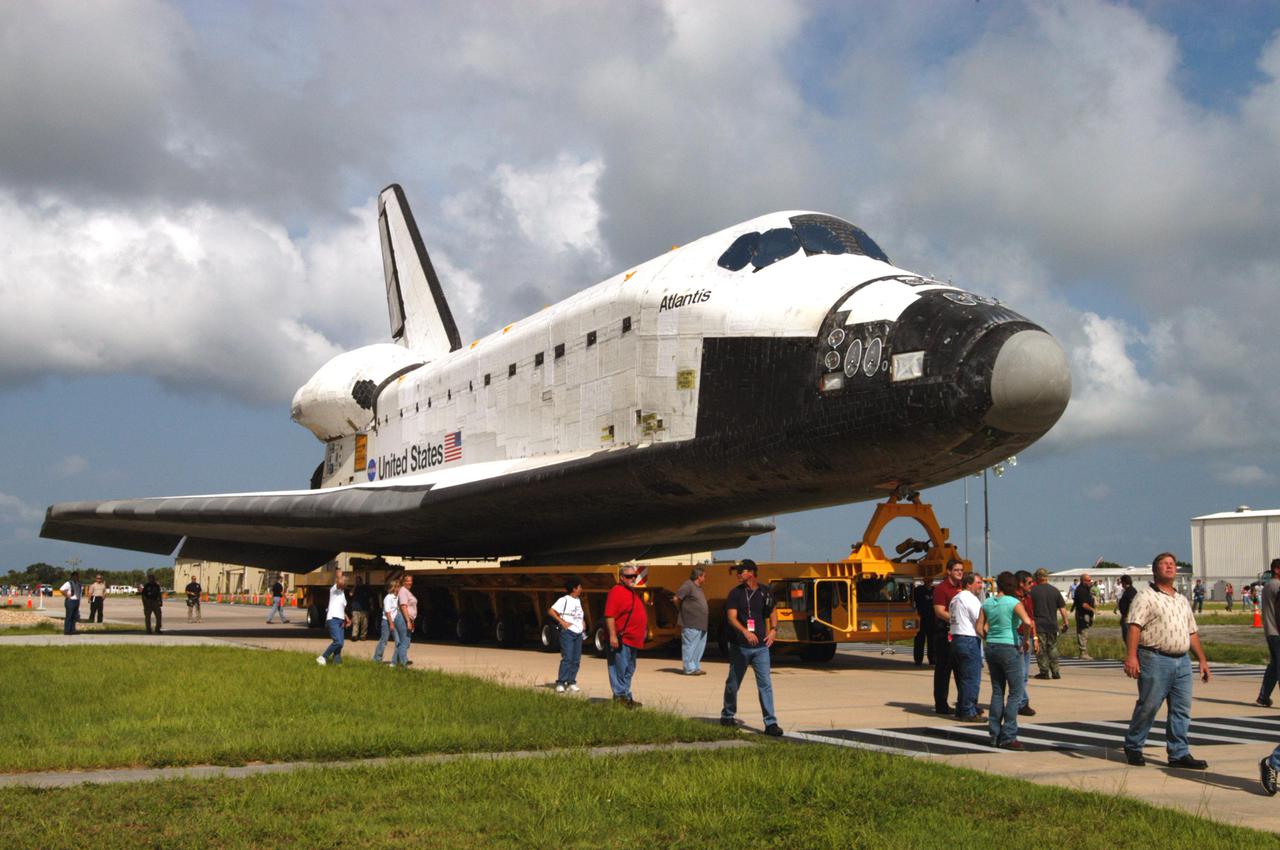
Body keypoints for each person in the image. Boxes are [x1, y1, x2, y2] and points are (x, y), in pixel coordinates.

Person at [1122, 552, 1211, 769]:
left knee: (1181, 709)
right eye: (1164, 564)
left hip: (1182, 661)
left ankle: (1179, 753)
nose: (1170, 567)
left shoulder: (1181, 599)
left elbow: (1192, 632)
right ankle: (1134, 745)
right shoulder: (1145, 596)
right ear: (1155, 570)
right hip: (1154, 658)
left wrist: (1202, 660)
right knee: (1149, 705)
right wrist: (1131, 656)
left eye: (1172, 564)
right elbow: (1134, 626)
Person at [720, 560, 782, 736]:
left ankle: (771, 723)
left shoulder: (765, 591)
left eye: (742, 571)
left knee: (765, 685)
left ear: (752, 572)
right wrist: (745, 631)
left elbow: (773, 611)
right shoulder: (735, 594)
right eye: (737, 571)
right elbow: (731, 617)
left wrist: (774, 630)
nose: (738, 574)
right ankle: (727, 715)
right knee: (733, 683)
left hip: (762, 647)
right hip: (740, 646)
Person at [977, 571, 1036, 749]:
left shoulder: (987, 603)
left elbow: (979, 627)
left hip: (992, 647)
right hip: (1009, 646)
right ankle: (1009, 736)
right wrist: (1026, 640)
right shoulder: (1013, 602)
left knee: (997, 691)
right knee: (1016, 692)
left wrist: (988, 638)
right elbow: (1027, 622)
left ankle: (994, 734)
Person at [605, 565, 648, 707]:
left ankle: (626, 695)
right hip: (622, 639)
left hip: (633, 640)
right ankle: (619, 696)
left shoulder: (631, 592)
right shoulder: (616, 592)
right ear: (622, 577)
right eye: (629, 576)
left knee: (629, 669)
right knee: (619, 668)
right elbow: (610, 615)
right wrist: (612, 636)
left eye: (634, 576)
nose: (633, 578)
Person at [931, 559, 966, 714]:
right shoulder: (941, 589)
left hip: (959, 634)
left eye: (961, 570)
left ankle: (964, 703)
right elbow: (939, 611)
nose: (960, 572)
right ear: (949, 571)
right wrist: (955, 619)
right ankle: (941, 704)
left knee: (961, 671)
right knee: (943, 670)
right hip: (944, 634)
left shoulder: (963, 588)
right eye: (957, 570)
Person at [949, 572, 984, 720]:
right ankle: (969, 711)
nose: (981, 586)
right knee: (971, 678)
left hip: (956, 638)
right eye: (978, 582)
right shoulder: (971, 599)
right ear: (968, 584)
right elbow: (979, 620)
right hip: (969, 639)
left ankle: (962, 707)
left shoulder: (955, 598)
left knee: (962, 677)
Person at [549, 576, 586, 693]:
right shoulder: (564, 600)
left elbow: (578, 614)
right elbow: (551, 611)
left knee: (576, 659)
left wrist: (583, 622)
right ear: (574, 589)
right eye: (580, 587)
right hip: (568, 633)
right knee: (567, 658)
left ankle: (571, 682)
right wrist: (562, 622)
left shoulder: (578, 600)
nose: (581, 589)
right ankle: (560, 682)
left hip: (578, 633)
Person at [1029, 569, 1068, 679]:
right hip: (1052, 625)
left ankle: (1044, 671)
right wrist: (1066, 622)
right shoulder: (1055, 591)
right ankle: (1056, 671)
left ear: (1037, 578)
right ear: (1047, 577)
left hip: (1039, 625)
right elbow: (1062, 608)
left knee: (1041, 649)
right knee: (1053, 648)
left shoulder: (1032, 591)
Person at [672, 566, 709, 675]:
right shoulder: (688, 585)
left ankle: (695, 666)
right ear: (699, 576)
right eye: (704, 576)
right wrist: (681, 610)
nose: (705, 579)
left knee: (699, 646)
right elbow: (676, 598)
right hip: (690, 622)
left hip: (700, 623)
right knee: (690, 645)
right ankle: (689, 668)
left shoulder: (698, 588)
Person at [1255, 559, 1280, 707]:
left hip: (1271, 631)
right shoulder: (1276, 585)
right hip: (1277, 632)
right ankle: (1263, 696)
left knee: (1275, 665)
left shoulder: (1267, 585)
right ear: (1277, 570)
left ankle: (1263, 697)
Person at [1014, 570, 1036, 716]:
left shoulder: (1028, 598)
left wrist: (1035, 638)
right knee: (1020, 672)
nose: (1031, 585)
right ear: (1020, 583)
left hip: (1027, 636)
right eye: (1029, 583)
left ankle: (1020, 700)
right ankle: (1022, 702)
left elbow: (1031, 619)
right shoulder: (1013, 599)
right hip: (1017, 636)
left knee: (1025, 673)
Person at [317, 571, 351, 665]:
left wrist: (347, 618)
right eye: (343, 581)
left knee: (341, 644)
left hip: (340, 620)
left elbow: (341, 608)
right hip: (333, 619)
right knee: (338, 642)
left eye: (345, 581)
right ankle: (323, 657)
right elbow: (339, 583)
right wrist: (339, 576)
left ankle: (337, 662)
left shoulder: (342, 594)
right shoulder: (333, 590)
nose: (344, 582)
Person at [372, 577, 400, 664]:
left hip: (395, 622)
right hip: (387, 622)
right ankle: (377, 659)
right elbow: (387, 612)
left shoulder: (397, 597)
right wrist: (391, 624)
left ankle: (395, 661)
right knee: (384, 641)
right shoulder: (388, 597)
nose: (400, 588)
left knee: (398, 642)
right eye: (398, 587)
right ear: (394, 587)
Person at [392, 574, 416, 667]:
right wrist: (408, 621)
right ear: (403, 582)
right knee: (405, 642)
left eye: (411, 581)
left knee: (403, 642)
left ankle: (395, 662)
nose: (410, 583)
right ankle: (403, 664)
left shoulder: (406, 591)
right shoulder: (403, 591)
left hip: (406, 618)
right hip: (403, 618)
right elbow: (403, 606)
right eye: (407, 581)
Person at [1073, 573, 1096, 660]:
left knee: (1085, 633)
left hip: (1086, 614)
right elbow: (1084, 604)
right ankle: (1083, 652)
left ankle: (1084, 652)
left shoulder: (1086, 589)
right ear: (1083, 581)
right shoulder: (1081, 590)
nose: (1090, 582)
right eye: (1089, 580)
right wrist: (1093, 610)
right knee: (1082, 633)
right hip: (1082, 614)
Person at [913, 578, 935, 666]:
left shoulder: (935, 590)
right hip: (921, 617)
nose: (929, 582)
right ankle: (918, 659)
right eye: (927, 580)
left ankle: (932, 659)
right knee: (919, 640)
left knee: (932, 640)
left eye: (930, 580)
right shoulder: (918, 590)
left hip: (932, 618)